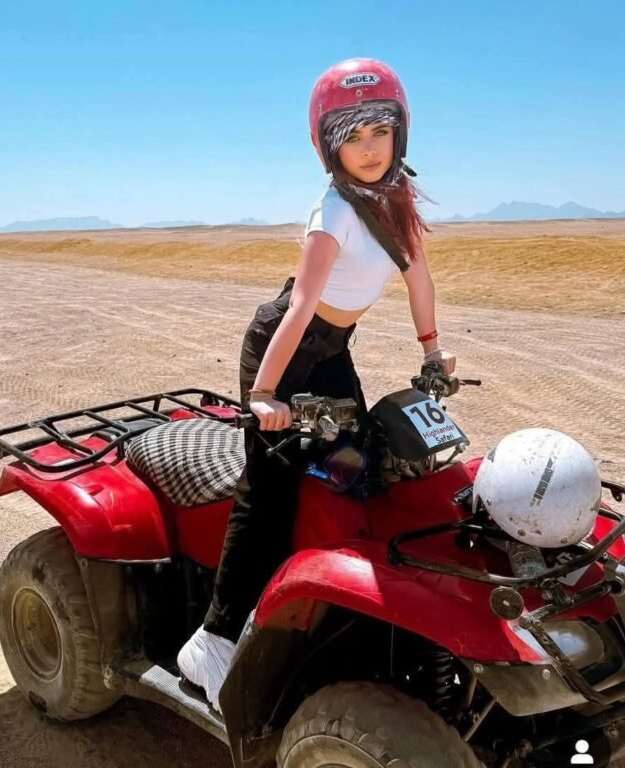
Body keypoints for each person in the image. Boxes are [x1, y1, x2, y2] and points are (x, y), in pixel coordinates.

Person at [177, 57, 456, 712]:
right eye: (352, 136)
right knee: (268, 488)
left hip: (332, 352)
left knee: (363, 459)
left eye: (379, 131)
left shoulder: (395, 201)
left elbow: (418, 279)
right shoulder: (333, 211)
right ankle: (214, 639)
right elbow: (301, 305)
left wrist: (432, 350)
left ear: (400, 133)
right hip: (284, 351)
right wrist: (264, 395)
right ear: (328, 147)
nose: (369, 148)